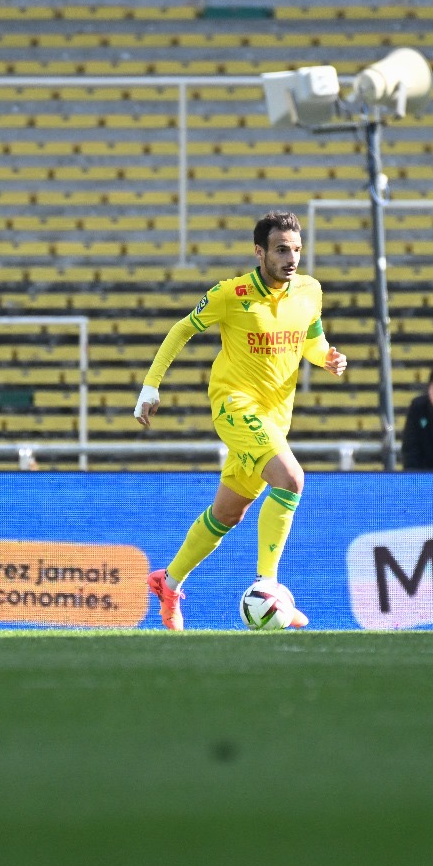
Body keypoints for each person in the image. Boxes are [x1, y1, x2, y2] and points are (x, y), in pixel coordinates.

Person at [133, 210, 347, 629]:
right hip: (235, 406)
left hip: (274, 417)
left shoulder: (309, 291)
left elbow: (313, 340)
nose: (291, 258)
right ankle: (269, 587)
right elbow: (182, 329)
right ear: (260, 252)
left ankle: (168, 581)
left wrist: (328, 358)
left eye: (297, 249)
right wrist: (151, 386)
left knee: (229, 512)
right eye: (282, 249)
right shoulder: (230, 294)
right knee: (291, 478)